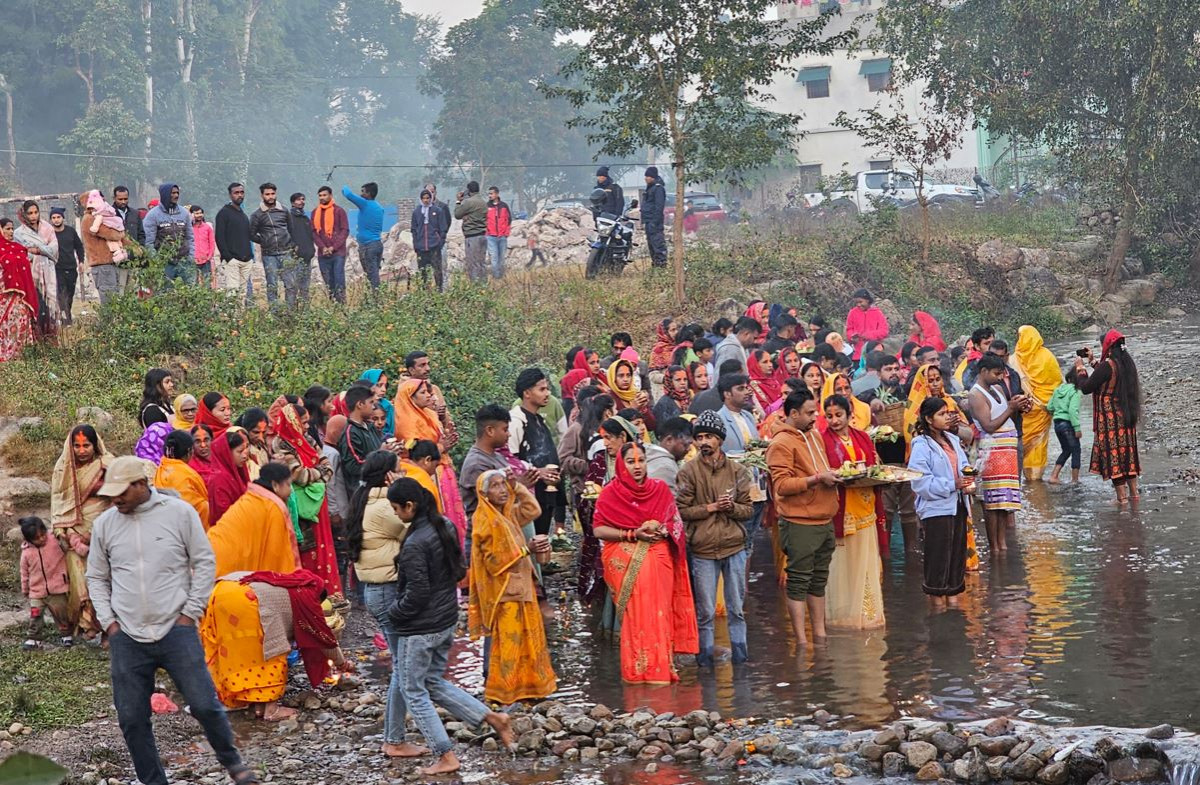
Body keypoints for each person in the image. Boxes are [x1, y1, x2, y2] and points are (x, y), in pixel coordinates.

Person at [87, 457, 261, 785]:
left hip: (175, 628)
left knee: (205, 705)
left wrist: (190, 613)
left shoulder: (178, 514)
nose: (115, 500)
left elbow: (204, 561)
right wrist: (109, 622)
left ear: (141, 485)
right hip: (128, 635)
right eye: (111, 495)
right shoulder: (105, 525)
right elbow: (96, 576)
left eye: (121, 493)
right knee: (132, 719)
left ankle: (232, 762)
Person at [386, 478, 515, 775]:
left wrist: (394, 614)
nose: (395, 514)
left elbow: (416, 594)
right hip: (444, 620)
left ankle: (445, 754)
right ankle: (492, 718)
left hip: (419, 628)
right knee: (431, 682)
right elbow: (456, 569)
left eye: (396, 508)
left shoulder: (416, 543)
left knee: (413, 690)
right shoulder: (444, 525)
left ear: (410, 506)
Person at [593, 443, 698, 683]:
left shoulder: (659, 489)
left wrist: (663, 530)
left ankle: (661, 669)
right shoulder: (611, 493)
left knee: (660, 613)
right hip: (627, 558)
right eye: (631, 461)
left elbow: (676, 522)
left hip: (660, 558)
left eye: (642, 460)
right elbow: (598, 529)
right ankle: (638, 672)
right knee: (636, 615)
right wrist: (632, 535)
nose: (637, 466)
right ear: (621, 464)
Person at [345, 450, 424, 757]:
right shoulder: (382, 507)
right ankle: (394, 739)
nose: (402, 471)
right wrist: (406, 490)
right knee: (404, 667)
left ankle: (399, 733)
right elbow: (417, 524)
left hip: (379, 589)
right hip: (387, 590)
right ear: (388, 475)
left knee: (403, 665)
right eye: (398, 469)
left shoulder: (367, 499)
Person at [201, 565, 341, 721]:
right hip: (248, 598)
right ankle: (271, 710)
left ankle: (256, 704)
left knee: (240, 654)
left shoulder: (286, 582)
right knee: (272, 651)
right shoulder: (307, 599)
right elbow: (323, 638)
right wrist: (342, 663)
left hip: (221, 590)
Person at [468, 471, 557, 703]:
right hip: (504, 591)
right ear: (484, 494)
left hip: (522, 586)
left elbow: (533, 510)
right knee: (509, 643)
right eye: (495, 486)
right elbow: (493, 562)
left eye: (502, 484)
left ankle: (531, 688)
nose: (501, 489)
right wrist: (527, 549)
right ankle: (504, 693)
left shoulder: (507, 514)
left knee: (529, 639)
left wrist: (516, 487)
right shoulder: (484, 520)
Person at [676, 412, 754, 665]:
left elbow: (748, 510)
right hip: (703, 549)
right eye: (699, 437)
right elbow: (681, 511)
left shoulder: (738, 470)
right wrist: (711, 508)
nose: (704, 442)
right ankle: (705, 663)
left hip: (734, 547)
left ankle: (741, 661)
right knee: (706, 613)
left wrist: (731, 507)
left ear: (720, 439)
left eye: (709, 436)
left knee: (736, 610)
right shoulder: (687, 472)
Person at [766, 390, 839, 646]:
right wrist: (817, 479)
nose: (815, 417)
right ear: (793, 413)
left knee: (818, 581)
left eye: (814, 411)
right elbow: (782, 486)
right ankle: (801, 641)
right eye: (809, 413)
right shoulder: (780, 444)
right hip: (799, 522)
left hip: (823, 518)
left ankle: (820, 635)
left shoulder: (814, 436)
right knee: (798, 581)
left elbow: (820, 469)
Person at [819, 394, 886, 629]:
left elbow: (874, 466)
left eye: (839, 415)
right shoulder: (822, 441)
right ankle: (842, 619)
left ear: (850, 415)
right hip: (841, 510)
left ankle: (867, 616)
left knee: (866, 561)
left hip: (865, 508)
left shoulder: (863, 437)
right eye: (829, 416)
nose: (834, 420)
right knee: (841, 565)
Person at [272, 401, 341, 600]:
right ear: (291, 423)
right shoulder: (281, 443)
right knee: (309, 551)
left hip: (318, 501)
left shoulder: (306, 438)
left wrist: (319, 475)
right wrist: (320, 474)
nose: (307, 426)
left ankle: (331, 597)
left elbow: (326, 465)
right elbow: (298, 476)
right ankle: (312, 598)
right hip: (304, 506)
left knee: (324, 546)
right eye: (302, 422)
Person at [50, 424, 113, 639]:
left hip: (103, 529)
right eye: (76, 446)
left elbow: (117, 499)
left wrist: (98, 529)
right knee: (79, 580)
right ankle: (86, 624)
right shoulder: (63, 470)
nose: (82, 450)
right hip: (72, 532)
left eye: (86, 445)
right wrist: (62, 533)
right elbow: (58, 505)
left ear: (95, 446)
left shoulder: (107, 465)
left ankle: (106, 627)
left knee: (105, 578)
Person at [908, 397, 973, 606]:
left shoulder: (952, 440)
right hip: (936, 511)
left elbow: (963, 465)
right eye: (942, 414)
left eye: (948, 413)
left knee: (956, 559)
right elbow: (919, 482)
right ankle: (937, 610)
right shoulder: (921, 445)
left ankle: (953, 605)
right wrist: (952, 484)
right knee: (937, 562)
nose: (948, 417)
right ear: (928, 419)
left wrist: (969, 476)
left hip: (958, 506)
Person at [394, 377, 468, 544]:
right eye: (423, 392)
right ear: (410, 398)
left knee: (454, 518)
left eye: (428, 391)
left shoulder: (430, 414)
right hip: (427, 474)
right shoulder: (405, 423)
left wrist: (446, 432)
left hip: (443, 469)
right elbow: (416, 453)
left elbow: (440, 438)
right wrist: (441, 447)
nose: (429, 395)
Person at [969, 354, 1027, 552]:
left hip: (1007, 453)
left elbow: (1006, 413)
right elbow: (989, 425)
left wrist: (1020, 406)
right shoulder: (975, 395)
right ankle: (995, 546)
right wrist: (1011, 408)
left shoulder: (999, 388)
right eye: (996, 374)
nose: (1000, 377)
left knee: (1004, 502)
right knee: (992, 502)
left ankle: (1002, 545)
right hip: (992, 453)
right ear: (983, 372)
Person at [1078, 330, 1142, 503]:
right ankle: (1134, 495)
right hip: (1126, 417)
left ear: (1107, 346)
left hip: (1109, 420)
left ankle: (1122, 498)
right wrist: (1092, 361)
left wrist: (1080, 369)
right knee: (1127, 455)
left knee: (1114, 457)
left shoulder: (1108, 365)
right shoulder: (1126, 363)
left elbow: (1086, 387)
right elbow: (1106, 375)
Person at [207, 459, 301, 576]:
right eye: (288, 484)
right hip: (226, 565)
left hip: (210, 554)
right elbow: (277, 555)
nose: (290, 491)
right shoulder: (273, 507)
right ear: (275, 485)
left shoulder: (252, 497)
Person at [507, 368, 562, 538]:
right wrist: (538, 472)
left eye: (547, 389)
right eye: (542, 389)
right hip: (527, 495)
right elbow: (510, 461)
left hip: (544, 492)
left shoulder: (538, 419)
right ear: (527, 393)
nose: (547, 393)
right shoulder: (516, 422)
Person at [459, 404, 516, 554]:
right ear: (490, 430)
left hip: (499, 530)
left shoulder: (496, 456)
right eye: (505, 429)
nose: (508, 434)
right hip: (485, 537)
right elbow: (492, 501)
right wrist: (516, 487)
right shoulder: (477, 464)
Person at [1010, 325, 1063, 482]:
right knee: (1038, 444)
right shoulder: (1047, 356)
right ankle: (1035, 480)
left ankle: (1023, 480)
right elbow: (1058, 383)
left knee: (1022, 440)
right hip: (1043, 410)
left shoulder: (1014, 359)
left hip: (1024, 410)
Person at [19, 516, 72, 650]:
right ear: (28, 539)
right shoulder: (26, 553)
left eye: (43, 535)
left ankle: (66, 635)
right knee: (35, 614)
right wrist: (25, 589)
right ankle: (33, 638)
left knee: (61, 613)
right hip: (37, 592)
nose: (42, 539)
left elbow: (68, 550)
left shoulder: (55, 541)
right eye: (37, 538)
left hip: (57, 588)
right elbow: (24, 573)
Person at [14, 200, 59, 331]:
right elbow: (23, 253)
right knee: (36, 302)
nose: (33, 216)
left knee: (49, 303)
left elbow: (54, 249)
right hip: (31, 273)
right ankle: (36, 333)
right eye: (30, 213)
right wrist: (37, 252)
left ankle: (50, 334)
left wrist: (38, 250)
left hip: (49, 271)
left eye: (36, 212)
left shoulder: (48, 228)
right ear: (24, 215)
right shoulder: (19, 233)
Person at [0, 218, 40, 357]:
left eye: (12, 228)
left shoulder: (18, 248)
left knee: (21, 318)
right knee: (6, 323)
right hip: (4, 296)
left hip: (21, 296)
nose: (11, 231)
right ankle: (5, 351)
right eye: (7, 228)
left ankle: (22, 352)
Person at [142, 183, 195, 286]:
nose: (176, 195)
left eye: (177, 193)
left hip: (184, 262)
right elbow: (148, 242)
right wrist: (156, 262)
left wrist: (191, 257)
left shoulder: (184, 213)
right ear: (165, 194)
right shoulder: (153, 215)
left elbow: (190, 237)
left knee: (190, 293)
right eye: (172, 193)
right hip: (164, 264)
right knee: (164, 295)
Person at [247, 183, 292, 304]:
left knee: (290, 284)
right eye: (267, 194)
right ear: (262, 195)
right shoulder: (257, 215)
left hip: (286, 252)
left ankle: (291, 312)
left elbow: (291, 229)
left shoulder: (284, 210)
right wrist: (264, 241)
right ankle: (275, 314)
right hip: (269, 254)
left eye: (273, 193)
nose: (270, 196)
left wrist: (290, 243)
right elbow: (251, 234)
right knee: (272, 285)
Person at [154, 429, 210, 527]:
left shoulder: (162, 466)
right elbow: (196, 507)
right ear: (189, 451)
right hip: (188, 527)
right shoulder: (186, 474)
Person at [215, 183, 254, 305]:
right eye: (236, 193)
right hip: (233, 261)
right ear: (230, 195)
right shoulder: (224, 213)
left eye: (242, 192)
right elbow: (219, 237)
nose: (240, 195)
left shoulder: (243, 215)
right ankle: (232, 321)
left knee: (242, 293)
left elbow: (249, 235)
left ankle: (239, 321)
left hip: (246, 260)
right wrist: (228, 257)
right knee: (232, 292)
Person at [339, 385, 384, 488]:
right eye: (371, 402)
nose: (374, 407)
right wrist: (381, 454)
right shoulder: (351, 433)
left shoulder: (370, 427)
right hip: (363, 490)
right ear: (360, 404)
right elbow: (354, 466)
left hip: (377, 485)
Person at [342, 181, 384, 288]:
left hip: (367, 246)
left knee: (372, 276)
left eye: (363, 192)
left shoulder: (364, 204)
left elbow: (347, 194)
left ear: (369, 194)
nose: (360, 194)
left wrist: (344, 184)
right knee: (374, 273)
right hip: (377, 244)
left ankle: (376, 300)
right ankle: (376, 297)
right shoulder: (379, 207)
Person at [312, 186, 349, 303]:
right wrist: (322, 247)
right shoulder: (315, 212)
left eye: (324, 195)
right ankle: (333, 306)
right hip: (323, 254)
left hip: (338, 253)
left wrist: (334, 247)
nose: (322, 198)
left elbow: (345, 230)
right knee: (328, 282)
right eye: (320, 196)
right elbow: (313, 232)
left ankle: (342, 306)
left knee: (339, 279)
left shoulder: (339, 211)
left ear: (331, 196)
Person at [206, 429, 252, 524]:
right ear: (226, 453)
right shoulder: (218, 479)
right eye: (239, 452)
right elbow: (223, 514)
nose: (245, 456)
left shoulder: (238, 471)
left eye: (245, 450)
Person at [49, 207, 84, 324]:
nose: (56, 220)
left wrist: (81, 262)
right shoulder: (49, 233)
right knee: (61, 293)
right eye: (53, 218)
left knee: (70, 293)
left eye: (58, 217)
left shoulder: (70, 231)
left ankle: (66, 314)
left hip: (71, 267)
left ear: (63, 218)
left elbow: (79, 247)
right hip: (56, 268)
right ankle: (66, 320)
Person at [411, 189, 446, 290]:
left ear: (431, 198)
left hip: (434, 246)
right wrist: (416, 244)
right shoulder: (417, 212)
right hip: (421, 248)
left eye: (428, 198)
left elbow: (443, 228)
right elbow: (414, 229)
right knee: (423, 272)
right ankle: (424, 291)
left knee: (437, 270)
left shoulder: (437, 211)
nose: (426, 200)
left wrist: (440, 242)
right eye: (424, 198)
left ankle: (439, 290)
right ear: (421, 199)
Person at [454, 181, 489, 283]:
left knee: (472, 263)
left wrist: (458, 201)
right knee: (481, 263)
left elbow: (457, 214)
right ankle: (483, 285)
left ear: (469, 190)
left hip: (472, 236)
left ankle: (475, 286)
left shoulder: (468, 202)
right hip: (482, 235)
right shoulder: (483, 202)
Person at [646, 416, 692, 491]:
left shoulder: (651, 456)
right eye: (685, 445)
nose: (689, 449)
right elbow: (670, 501)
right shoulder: (666, 467)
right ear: (669, 440)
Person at [606, 358, 655, 429]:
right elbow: (613, 428)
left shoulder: (635, 394)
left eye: (628, 375)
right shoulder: (609, 399)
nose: (626, 379)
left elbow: (651, 426)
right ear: (613, 377)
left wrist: (643, 409)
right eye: (621, 375)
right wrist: (632, 409)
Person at [285, 192, 314, 307]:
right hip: (294, 259)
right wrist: (293, 248)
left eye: (303, 199)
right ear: (292, 202)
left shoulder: (305, 218)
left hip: (307, 258)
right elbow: (285, 235)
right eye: (298, 200)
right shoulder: (289, 218)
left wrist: (312, 250)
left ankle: (304, 315)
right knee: (292, 288)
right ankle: (290, 313)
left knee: (305, 289)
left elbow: (310, 236)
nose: (301, 201)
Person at [844, 288, 889, 361]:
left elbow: (884, 331)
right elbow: (849, 330)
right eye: (856, 303)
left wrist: (868, 335)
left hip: (874, 353)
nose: (858, 305)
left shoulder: (877, 313)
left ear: (868, 300)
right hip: (857, 354)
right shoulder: (852, 313)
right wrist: (852, 337)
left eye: (860, 302)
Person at [713, 316, 760, 383]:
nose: (755, 342)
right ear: (746, 333)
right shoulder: (729, 349)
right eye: (754, 338)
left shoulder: (743, 347)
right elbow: (721, 378)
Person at [641, 166, 667, 267]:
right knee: (651, 246)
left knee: (658, 245)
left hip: (655, 223)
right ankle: (655, 266)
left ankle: (661, 267)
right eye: (645, 176)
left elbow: (659, 207)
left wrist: (654, 222)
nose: (646, 178)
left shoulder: (658, 188)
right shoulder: (650, 188)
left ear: (653, 177)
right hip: (648, 222)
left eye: (648, 176)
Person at [484, 186, 511, 279]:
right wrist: (486, 232)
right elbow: (484, 220)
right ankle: (496, 278)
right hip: (491, 237)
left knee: (501, 258)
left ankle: (502, 277)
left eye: (491, 193)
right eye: (489, 194)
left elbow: (508, 220)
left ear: (497, 194)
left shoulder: (504, 206)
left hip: (502, 236)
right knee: (494, 258)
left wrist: (506, 233)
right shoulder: (486, 206)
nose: (490, 195)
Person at [359, 368, 395, 434]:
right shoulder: (358, 405)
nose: (384, 390)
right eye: (379, 385)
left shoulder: (387, 406)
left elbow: (391, 431)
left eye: (385, 386)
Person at [190, 206, 217, 287]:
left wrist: (209, 256)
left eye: (201, 213)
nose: (199, 215)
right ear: (192, 214)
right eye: (196, 213)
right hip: (192, 260)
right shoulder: (189, 228)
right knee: (193, 283)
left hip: (205, 260)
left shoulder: (207, 228)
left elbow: (212, 243)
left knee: (207, 283)